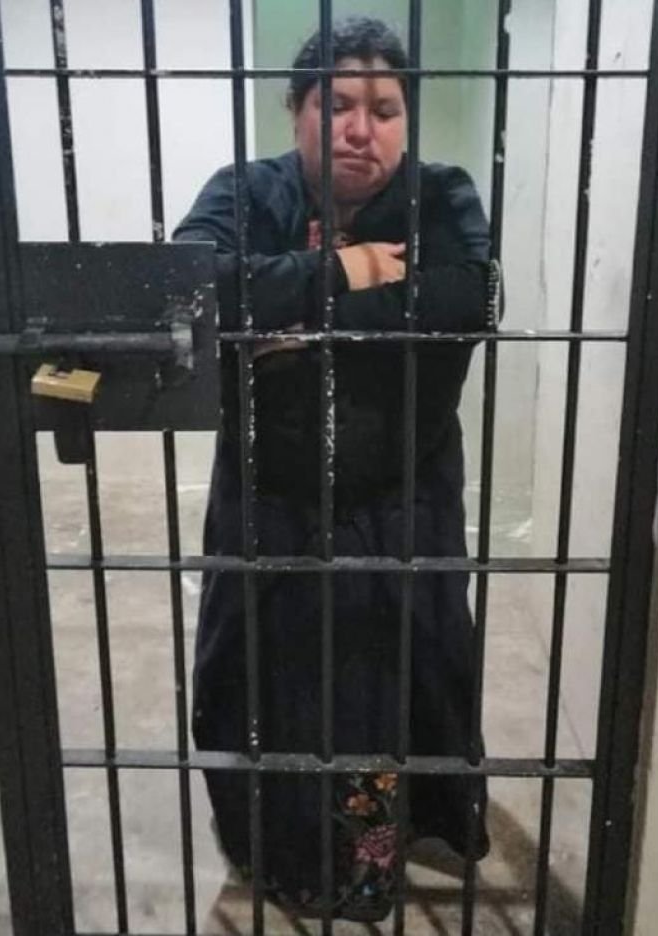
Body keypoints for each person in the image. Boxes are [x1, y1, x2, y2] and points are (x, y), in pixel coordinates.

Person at [173, 16, 491, 923]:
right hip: (268, 492)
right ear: (297, 110)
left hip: (401, 493)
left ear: (407, 119)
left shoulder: (440, 194)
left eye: (385, 110)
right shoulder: (247, 190)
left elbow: (467, 297)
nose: (361, 129)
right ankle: (278, 850)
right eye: (339, 104)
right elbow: (189, 286)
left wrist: (281, 318)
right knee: (264, 676)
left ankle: (377, 856)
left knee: (387, 676)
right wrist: (348, 269)